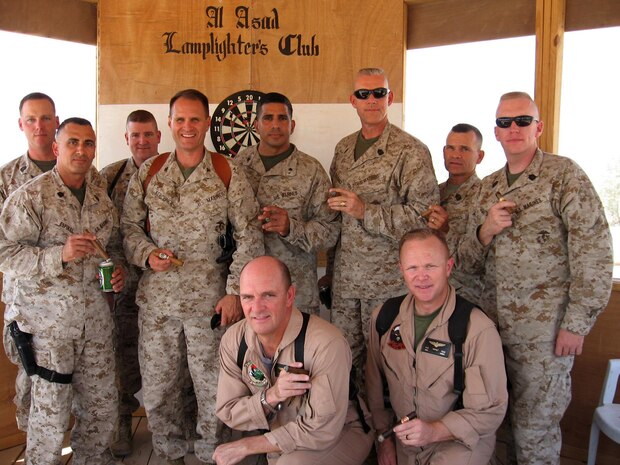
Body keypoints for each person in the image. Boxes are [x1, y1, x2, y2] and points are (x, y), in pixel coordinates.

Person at [458, 91, 613, 465]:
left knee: (535, 435)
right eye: (504, 122)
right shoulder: (486, 189)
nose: (513, 128)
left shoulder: (564, 177)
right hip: (493, 334)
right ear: (495, 132)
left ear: (537, 127)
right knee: (495, 427)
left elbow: (594, 253)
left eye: (522, 121)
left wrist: (576, 324)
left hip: (543, 338)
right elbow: (464, 261)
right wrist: (485, 231)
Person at [121, 89, 264, 465]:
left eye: (195, 119)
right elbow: (129, 229)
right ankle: (168, 452)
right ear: (169, 123)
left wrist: (235, 292)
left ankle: (210, 454)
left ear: (206, 123)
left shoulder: (227, 171)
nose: (187, 127)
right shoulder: (149, 172)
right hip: (158, 304)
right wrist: (148, 255)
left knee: (213, 386)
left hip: (210, 304)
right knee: (159, 388)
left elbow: (249, 234)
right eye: (180, 120)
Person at [0, 117, 126, 465]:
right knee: (50, 414)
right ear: (56, 148)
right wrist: (59, 255)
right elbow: (5, 254)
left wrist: (118, 274)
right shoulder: (30, 196)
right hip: (48, 330)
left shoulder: (101, 200)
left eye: (88, 143)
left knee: (101, 406)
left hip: (95, 325)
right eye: (73, 142)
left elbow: (112, 250)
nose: (81, 150)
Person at [324, 67, 439, 374]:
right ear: (353, 100)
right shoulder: (344, 149)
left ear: (391, 97)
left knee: (391, 366)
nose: (371, 100)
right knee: (346, 363)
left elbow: (424, 218)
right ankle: (357, 423)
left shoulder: (411, 151)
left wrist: (367, 211)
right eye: (364, 94)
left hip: (388, 282)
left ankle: (390, 424)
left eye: (379, 93)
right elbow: (338, 220)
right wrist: (332, 271)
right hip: (347, 281)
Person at [365, 229, 508, 465]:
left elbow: (490, 412)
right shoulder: (385, 318)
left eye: (430, 266)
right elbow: (374, 384)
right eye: (412, 268)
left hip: (458, 442)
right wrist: (384, 440)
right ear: (401, 270)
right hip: (404, 442)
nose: (421, 276)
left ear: (448, 267)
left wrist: (434, 431)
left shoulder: (477, 329)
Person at [213, 256, 374, 465]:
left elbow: (321, 430)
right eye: (247, 297)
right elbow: (228, 410)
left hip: (340, 431)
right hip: (282, 433)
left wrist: (248, 445)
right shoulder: (234, 340)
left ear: (290, 296)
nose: (257, 307)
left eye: (268, 295)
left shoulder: (325, 343)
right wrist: (271, 396)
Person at [235, 92, 339, 315]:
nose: (275, 125)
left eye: (282, 119)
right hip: (249, 294)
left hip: (295, 293)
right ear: (256, 125)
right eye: (268, 118)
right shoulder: (239, 165)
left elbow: (331, 231)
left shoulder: (311, 171)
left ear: (292, 125)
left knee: (300, 350)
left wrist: (291, 228)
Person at [99, 109, 162, 457]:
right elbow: (97, 234)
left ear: (158, 137)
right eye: (135, 135)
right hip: (123, 285)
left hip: (163, 284)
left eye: (148, 135)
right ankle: (122, 422)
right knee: (121, 356)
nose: (142, 141)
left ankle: (170, 426)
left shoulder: (172, 173)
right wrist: (110, 272)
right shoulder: (108, 178)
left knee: (168, 359)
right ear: (126, 139)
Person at [0, 92, 60, 434]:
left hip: (71, 302)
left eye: (46, 118)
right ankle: (29, 445)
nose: (40, 126)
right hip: (28, 302)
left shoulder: (78, 168)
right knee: (30, 375)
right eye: (32, 119)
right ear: (21, 124)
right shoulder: (7, 179)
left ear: (56, 122)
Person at [427, 123, 485, 305]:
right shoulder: (432, 193)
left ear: (480, 156)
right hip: (428, 291)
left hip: (465, 297)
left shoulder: (484, 196)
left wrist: (446, 231)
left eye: (465, 149)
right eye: (450, 148)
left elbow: (476, 260)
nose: (456, 155)